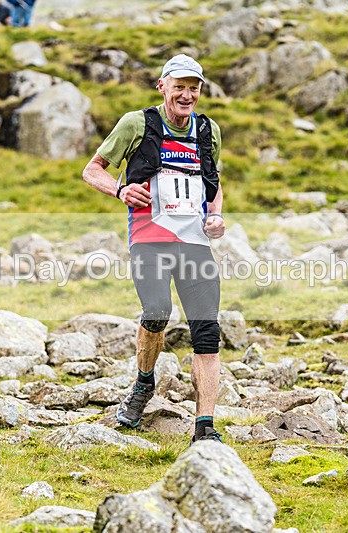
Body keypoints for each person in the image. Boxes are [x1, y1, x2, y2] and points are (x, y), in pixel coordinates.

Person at [82, 54, 226, 443]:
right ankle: (144, 383)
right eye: (178, 86)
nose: (186, 94)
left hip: (196, 244)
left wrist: (216, 216)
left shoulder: (208, 130)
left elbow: (213, 185)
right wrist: (119, 189)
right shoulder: (137, 123)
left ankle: (205, 428)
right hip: (150, 239)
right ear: (162, 86)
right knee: (157, 313)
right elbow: (92, 169)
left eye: (193, 87)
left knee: (207, 332)